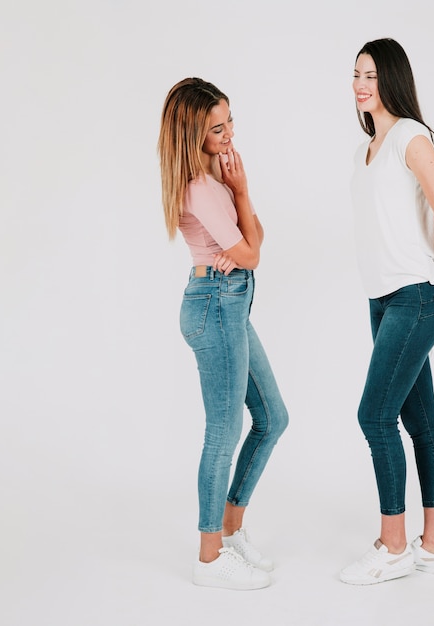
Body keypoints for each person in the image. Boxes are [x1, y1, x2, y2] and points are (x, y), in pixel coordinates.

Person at [340, 38, 434, 585]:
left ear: (390, 77)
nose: (361, 84)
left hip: (416, 296)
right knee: (418, 421)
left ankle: (394, 547)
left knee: (374, 415)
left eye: (370, 74)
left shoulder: (410, 138)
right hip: (386, 300)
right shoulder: (368, 146)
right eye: (355, 75)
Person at [157, 78, 289, 590]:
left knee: (272, 417)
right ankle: (209, 558)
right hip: (215, 304)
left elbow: (257, 240)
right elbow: (253, 253)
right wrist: (238, 201)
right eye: (217, 128)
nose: (229, 133)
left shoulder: (217, 180)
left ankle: (230, 532)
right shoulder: (197, 186)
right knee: (223, 432)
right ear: (192, 134)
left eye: (230, 121)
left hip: (230, 304)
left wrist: (241, 190)